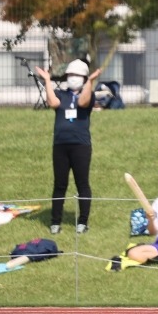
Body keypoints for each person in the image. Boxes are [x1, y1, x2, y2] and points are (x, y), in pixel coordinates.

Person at [36, 58, 102, 235]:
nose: (73, 78)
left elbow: (82, 103)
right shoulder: (61, 94)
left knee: (82, 183)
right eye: (71, 74)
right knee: (60, 184)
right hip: (60, 145)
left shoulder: (88, 94)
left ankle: (83, 221)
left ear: (84, 78)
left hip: (81, 146)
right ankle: (55, 221)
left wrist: (90, 81)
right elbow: (52, 103)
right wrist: (48, 80)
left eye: (77, 75)